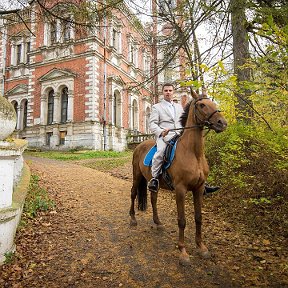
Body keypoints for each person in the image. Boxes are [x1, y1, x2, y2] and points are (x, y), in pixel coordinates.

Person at [148, 83, 220, 195]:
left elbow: (184, 121)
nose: (168, 92)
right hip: (165, 136)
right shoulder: (156, 107)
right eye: (166, 90)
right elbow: (152, 124)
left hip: (180, 134)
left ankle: (202, 182)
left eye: (170, 90)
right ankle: (155, 178)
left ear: (173, 92)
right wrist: (161, 131)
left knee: (196, 152)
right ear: (163, 92)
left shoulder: (178, 107)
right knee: (160, 152)